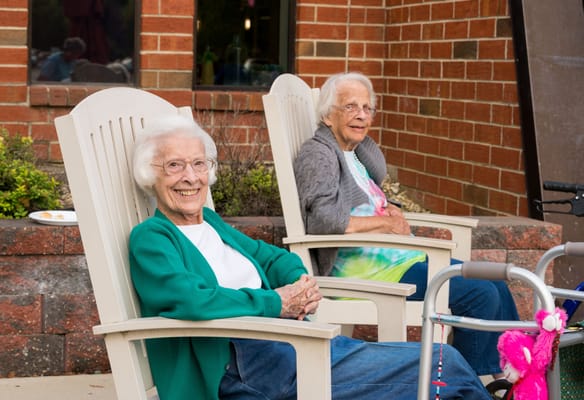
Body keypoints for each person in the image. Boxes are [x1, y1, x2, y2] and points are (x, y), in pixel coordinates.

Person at [128, 114, 491, 400]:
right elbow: (192, 299)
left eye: (198, 164)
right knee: (443, 366)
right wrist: (276, 302)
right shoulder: (152, 239)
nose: (190, 178)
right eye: (174, 166)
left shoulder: (209, 222)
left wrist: (299, 281)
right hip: (250, 367)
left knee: (440, 366)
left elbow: (269, 257)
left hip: (291, 344)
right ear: (150, 176)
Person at [293, 72, 520, 380]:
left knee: (497, 286)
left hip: (400, 261)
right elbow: (324, 221)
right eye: (350, 107)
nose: (361, 115)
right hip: (369, 274)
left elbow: (366, 202)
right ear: (328, 115)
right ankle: (464, 386)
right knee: (481, 294)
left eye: (367, 107)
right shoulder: (318, 153)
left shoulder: (353, 155)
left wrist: (390, 215)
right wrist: (385, 224)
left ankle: (509, 378)